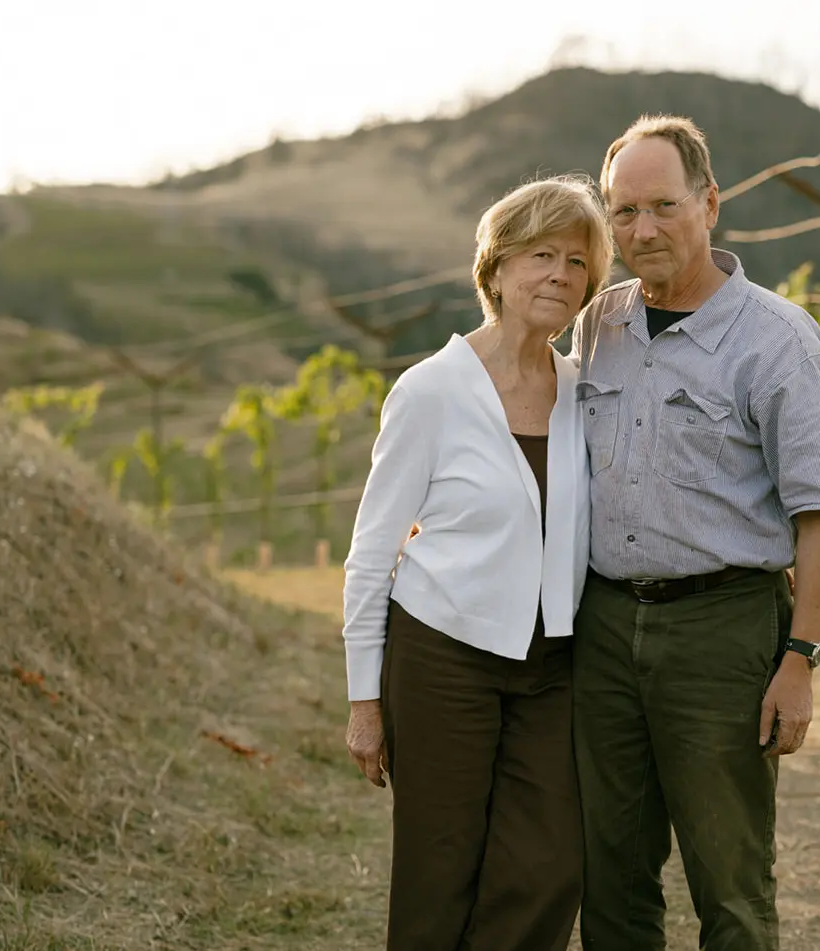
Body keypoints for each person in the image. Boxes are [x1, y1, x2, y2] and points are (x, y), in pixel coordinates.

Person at [570, 114, 820, 951]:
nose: (642, 229)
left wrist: (799, 662)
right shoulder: (598, 325)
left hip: (723, 632)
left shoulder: (777, 341)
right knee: (610, 875)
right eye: (623, 212)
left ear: (710, 203)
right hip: (604, 624)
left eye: (662, 206)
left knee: (728, 882)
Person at [341, 174, 613, 950]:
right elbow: (370, 554)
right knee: (441, 866)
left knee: (553, 860)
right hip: (441, 659)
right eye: (540, 255)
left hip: (552, 663)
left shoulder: (579, 390)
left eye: (576, 261)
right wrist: (366, 700)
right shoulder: (430, 390)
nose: (561, 275)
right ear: (495, 270)